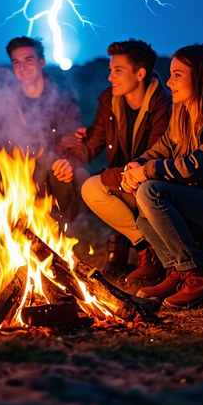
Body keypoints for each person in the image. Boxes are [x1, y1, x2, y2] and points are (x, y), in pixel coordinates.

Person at [121, 44, 203, 308]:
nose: (169, 81)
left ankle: (198, 276)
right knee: (142, 199)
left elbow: (197, 165)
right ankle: (179, 272)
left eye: (177, 74)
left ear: (201, 76)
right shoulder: (185, 110)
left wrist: (145, 172)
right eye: (170, 73)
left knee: (152, 191)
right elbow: (163, 148)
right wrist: (135, 165)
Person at [64, 39, 171, 282]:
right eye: (110, 70)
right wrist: (70, 160)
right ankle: (148, 251)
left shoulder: (163, 107)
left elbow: (156, 159)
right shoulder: (109, 101)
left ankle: (157, 254)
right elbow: (93, 142)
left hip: (151, 185)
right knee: (90, 187)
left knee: (99, 185)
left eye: (118, 71)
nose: (110, 76)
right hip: (124, 180)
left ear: (140, 73)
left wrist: (109, 176)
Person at [0, 36, 83, 230]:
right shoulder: (6, 102)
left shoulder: (63, 101)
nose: (22, 67)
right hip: (18, 168)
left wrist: (66, 161)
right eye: (16, 62)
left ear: (41, 62)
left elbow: (75, 144)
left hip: (53, 167)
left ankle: (63, 234)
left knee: (65, 172)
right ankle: (10, 233)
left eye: (28, 60)